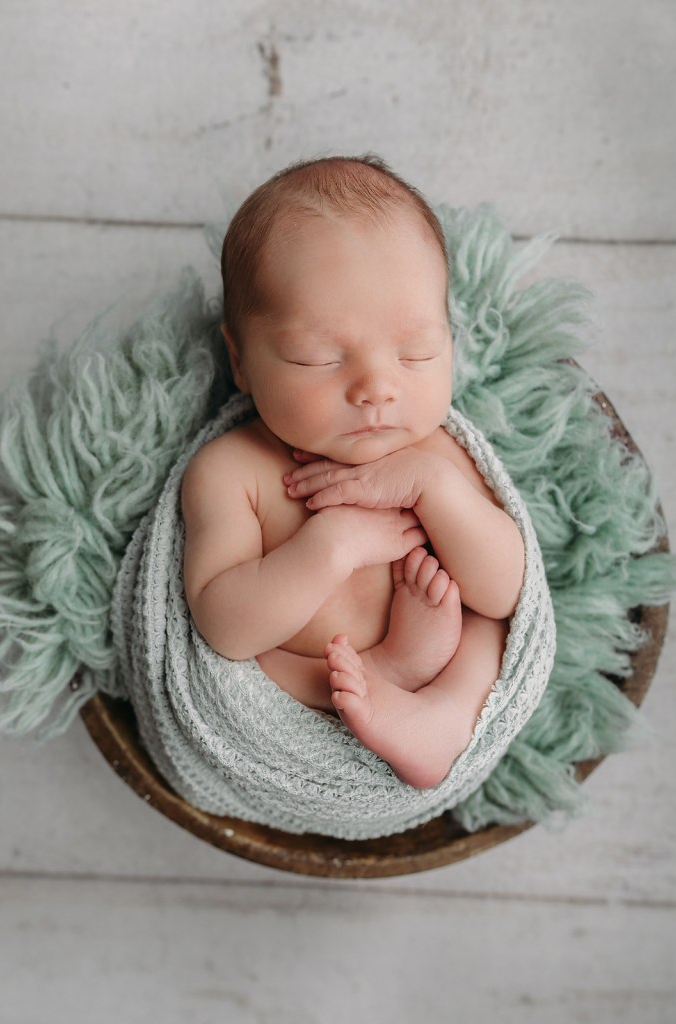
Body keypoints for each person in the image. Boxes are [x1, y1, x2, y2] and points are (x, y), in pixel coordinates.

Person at [181, 155, 525, 789]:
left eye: (416, 351)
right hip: (305, 694)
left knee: (490, 631)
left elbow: (506, 591)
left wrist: (432, 487)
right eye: (317, 358)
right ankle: (387, 675)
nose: (376, 388)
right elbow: (222, 627)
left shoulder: (436, 453)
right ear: (241, 359)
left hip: (434, 677)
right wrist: (332, 546)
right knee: (263, 657)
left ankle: (443, 717)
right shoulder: (234, 471)